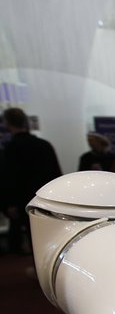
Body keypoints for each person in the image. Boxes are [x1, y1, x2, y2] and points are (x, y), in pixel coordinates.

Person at [0, 108, 62, 254]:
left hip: (21, 201)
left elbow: (7, 178)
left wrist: (8, 203)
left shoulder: (10, 149)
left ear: (7, 124)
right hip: (46, 200)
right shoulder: (44, 145)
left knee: (19, 244)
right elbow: (56, 175)